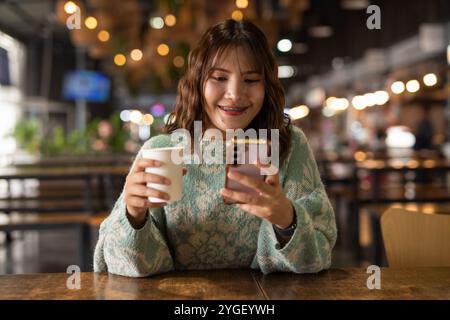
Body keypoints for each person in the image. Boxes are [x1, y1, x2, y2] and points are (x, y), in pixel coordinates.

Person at [94, 19, 337, 277]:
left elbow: (319, 254)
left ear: (266, 86)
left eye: (251, 80)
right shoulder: (163, 150)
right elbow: (116, 263)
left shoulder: (289, 146)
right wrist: (134, 215)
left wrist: (286, 219)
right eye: (220, 77)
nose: (234, 93)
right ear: (198, 82)